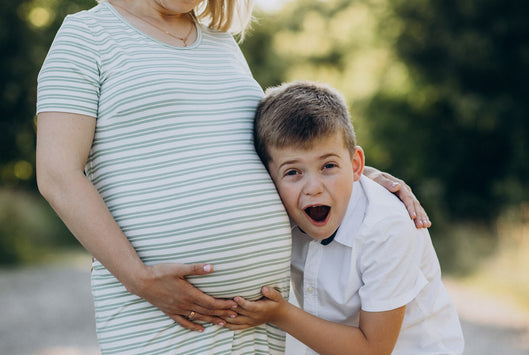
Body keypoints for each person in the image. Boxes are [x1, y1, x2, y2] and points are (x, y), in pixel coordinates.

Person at [35, 0, 430, 353]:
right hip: (162, 315)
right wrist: (141, 280)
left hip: (255, 325)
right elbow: (57, 174)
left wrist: (355, 177)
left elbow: (270, 149)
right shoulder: (86, 36)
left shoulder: (222, 45)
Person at [224, 81, 464, 354]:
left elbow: (374, 349)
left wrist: (280, 314)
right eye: (293, 172)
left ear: (355, 165)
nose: (313, 187)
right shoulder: (278, 212)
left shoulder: (387, 227)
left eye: (328, 166)